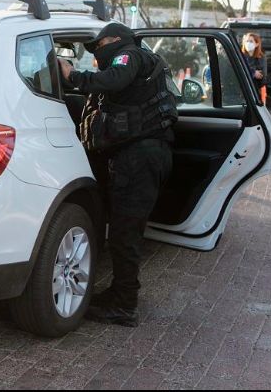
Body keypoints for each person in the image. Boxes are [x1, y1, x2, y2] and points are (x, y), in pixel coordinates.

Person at [58, 22, 176, 327]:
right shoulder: (143, 60)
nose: (98, 53)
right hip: (142, 155)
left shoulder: (129, 54)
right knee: (125, 230)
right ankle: (118, 294)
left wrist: (72, 75)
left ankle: (124, 305)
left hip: (140, 157)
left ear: (115, 39)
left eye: (99, 46)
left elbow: (114, 78)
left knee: (125, 233)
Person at [241, 32, 266, 101]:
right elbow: (240, 70)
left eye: (251, 41)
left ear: (257, 44)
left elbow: (262, 76)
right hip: (241, 91)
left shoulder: (261, 58)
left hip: (255, 92)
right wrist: (253, 72)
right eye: (247, 41)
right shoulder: (240, 56)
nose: (248, 43)